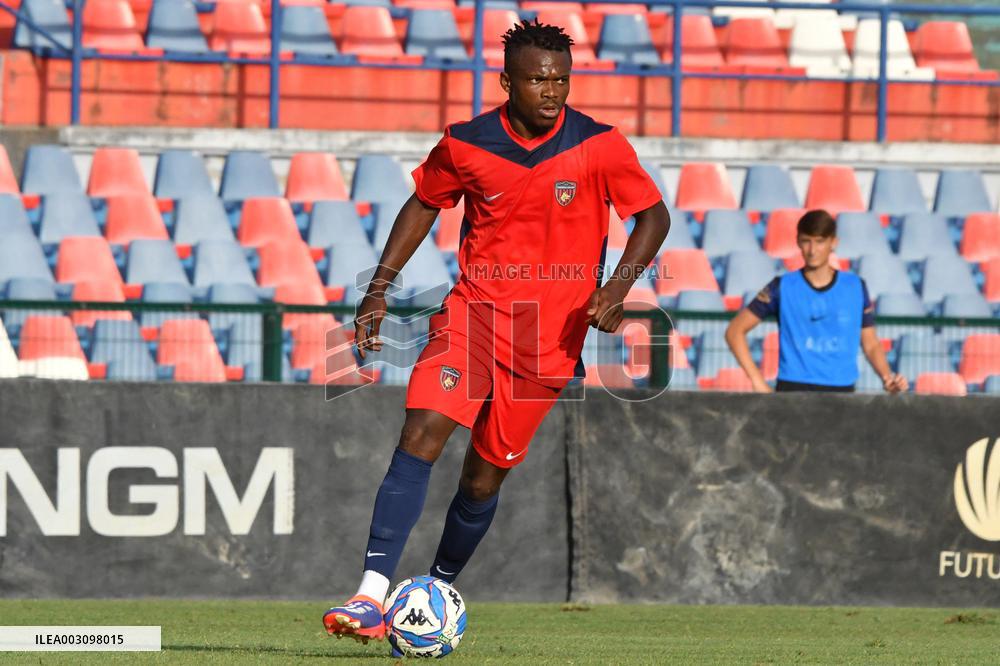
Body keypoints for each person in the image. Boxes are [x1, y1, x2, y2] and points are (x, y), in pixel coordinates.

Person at [322, 20, 670, 643]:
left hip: (550, 344)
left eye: (561, 79)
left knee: (483, 479)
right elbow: (425, 201)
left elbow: (653, 215)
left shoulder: (600, 145)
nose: (552, 91)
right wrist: (379, 286)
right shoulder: (466, 143)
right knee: (422, 430)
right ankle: (371, 594)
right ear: (507, 81)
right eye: (539, 79)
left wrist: (618, 286)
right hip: (475, 317)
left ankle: (435, 591)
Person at [725, 209, 908, 393]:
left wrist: (887, 377)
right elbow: (734, 331)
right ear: (798, 242)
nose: (812, 250)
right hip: (793, 391)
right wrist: (757, 381)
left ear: (833, 243)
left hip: (841, 393)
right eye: (806, 241)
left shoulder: (855, 287)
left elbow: (870, 342)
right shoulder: (781, 286)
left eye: (820, 241)